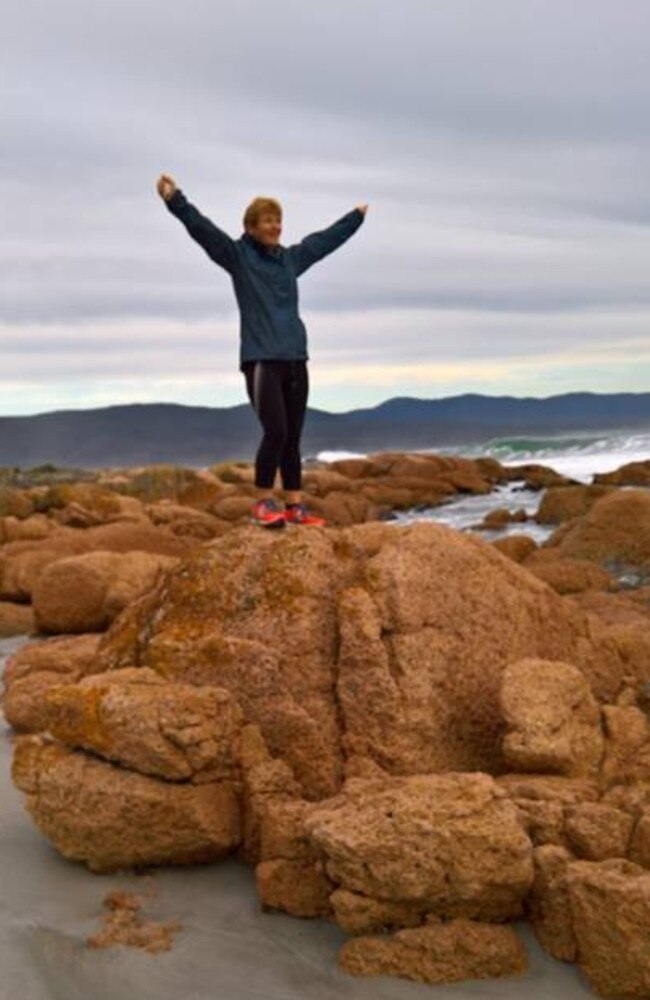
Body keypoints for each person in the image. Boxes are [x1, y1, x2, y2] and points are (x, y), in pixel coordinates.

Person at [156, 173, 367, 528]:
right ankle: (263, 503)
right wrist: (174, 199)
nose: (275, 226)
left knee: (293, 438)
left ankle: (295, 507)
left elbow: (323, 242)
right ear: (251, 226)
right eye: (267, 221)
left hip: (296, 359)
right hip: (261, 360)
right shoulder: (237, 257)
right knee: (276, 431)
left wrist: (355, 218)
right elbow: (202, 230)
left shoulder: (290, 260)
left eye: (278, 220)